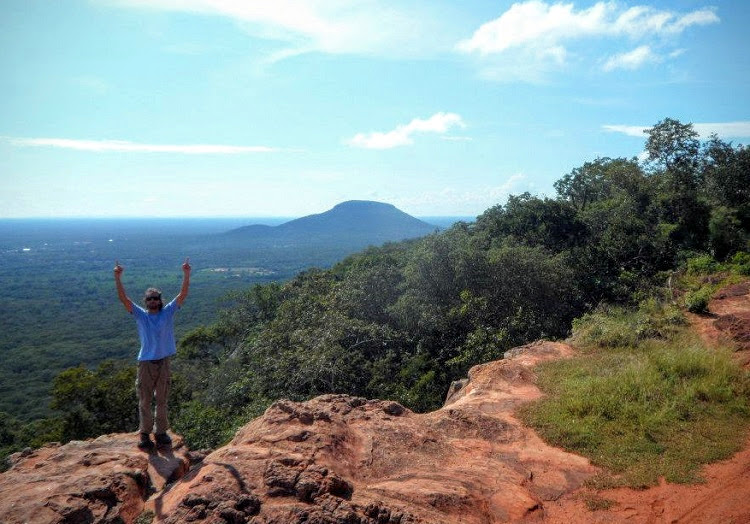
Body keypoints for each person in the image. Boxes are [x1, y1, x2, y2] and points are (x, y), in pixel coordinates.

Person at [114, 258, 191, 450]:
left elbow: (182, 295)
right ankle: (144, 434)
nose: (153, 301)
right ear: (145, 302)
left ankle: (161, 431)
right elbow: (124, 300)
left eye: (156, 298)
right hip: (146, 362)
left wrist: (186, 273)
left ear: (160, 300)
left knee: (162, 399)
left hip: (164, 361)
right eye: (149, 298)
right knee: (145, 400)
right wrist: (117, 278)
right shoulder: (141, 315)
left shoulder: (167, 312)